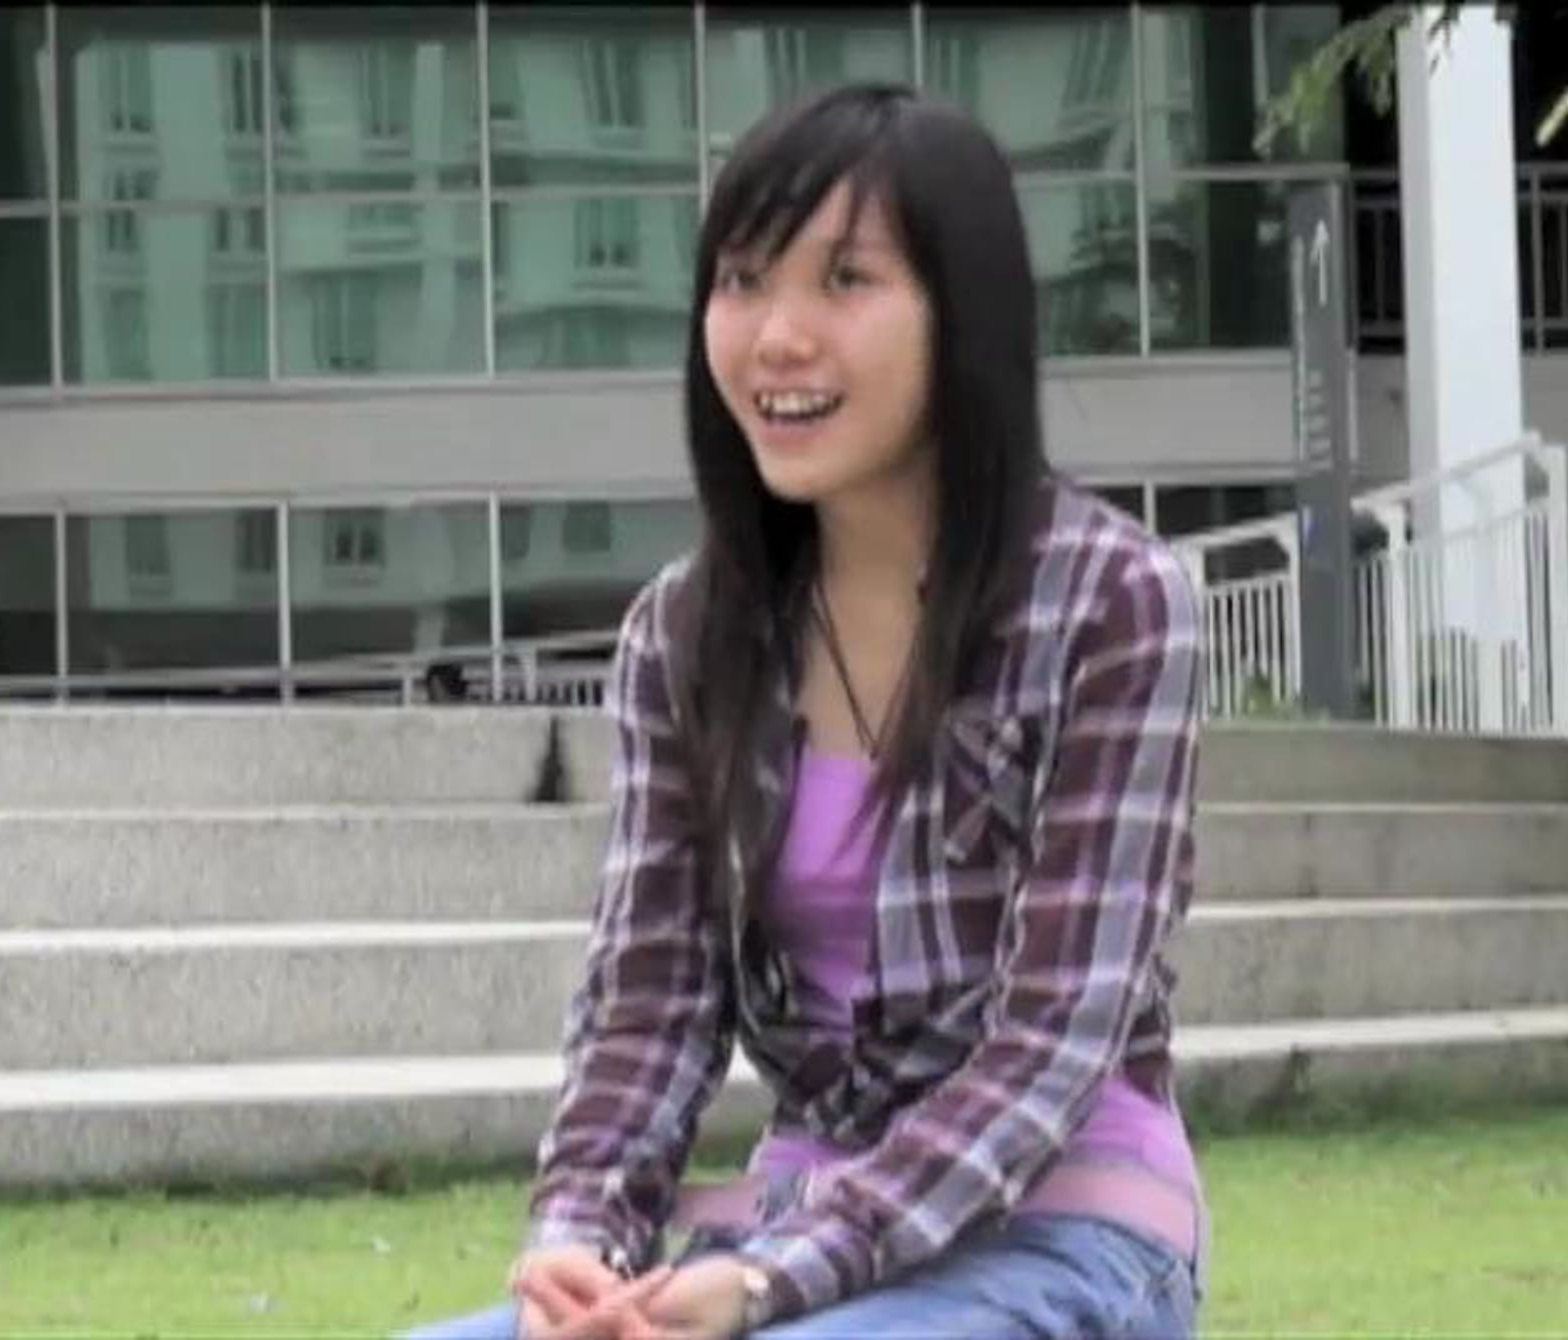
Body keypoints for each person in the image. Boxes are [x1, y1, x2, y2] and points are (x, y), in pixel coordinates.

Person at [408, 83, 1206, 1339]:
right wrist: (579, 1242)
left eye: (845, 280)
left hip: (1067, 1226)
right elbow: (648, 1006)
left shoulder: (1114, 603)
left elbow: (1049, 1044)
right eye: (742, 280)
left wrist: (773, 1279)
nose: (776, 336)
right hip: (784, 1234)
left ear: (962, 314)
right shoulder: (685, 633)